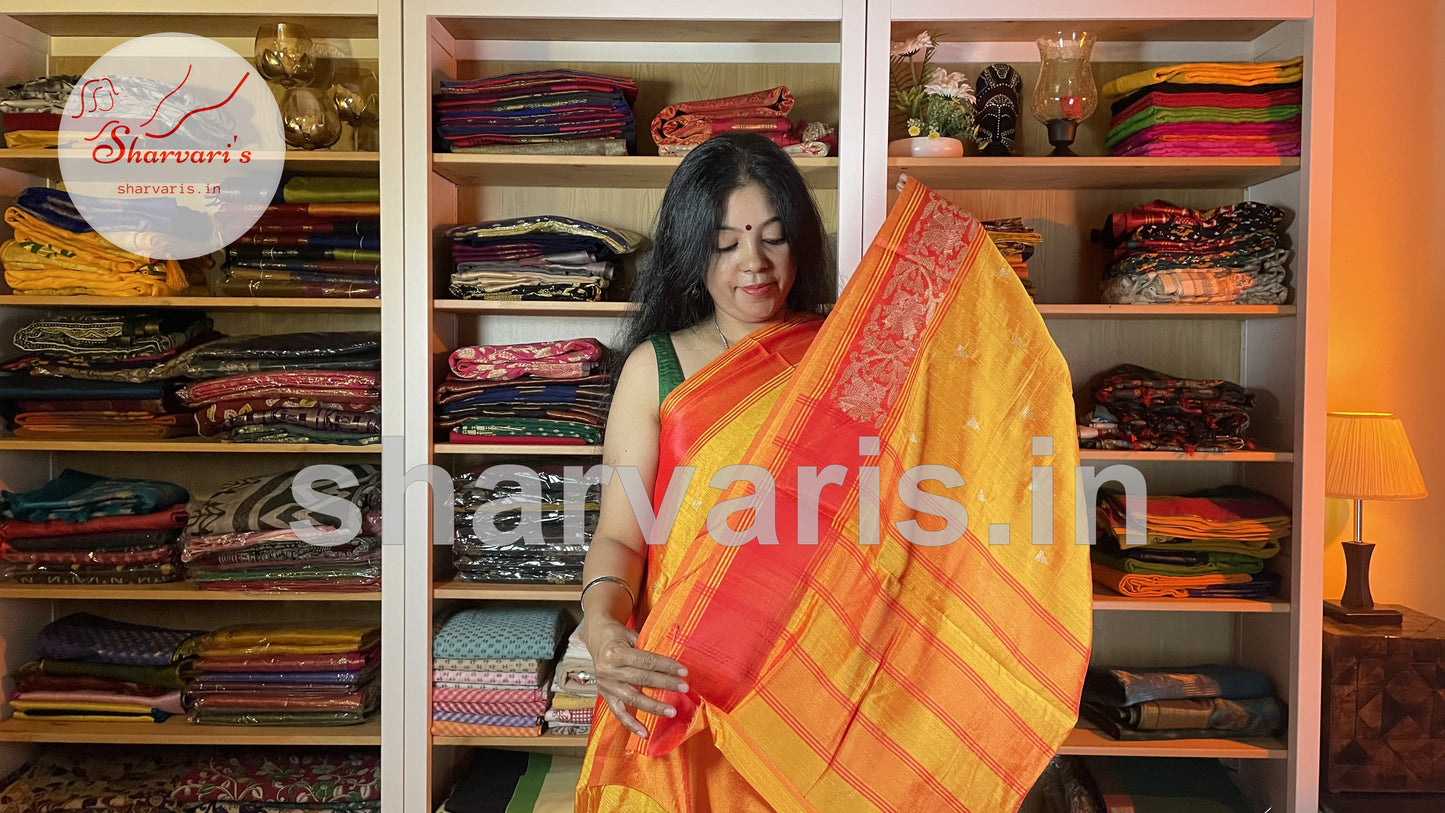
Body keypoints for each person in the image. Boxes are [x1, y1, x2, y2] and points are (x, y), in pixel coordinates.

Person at [576, 133, 1093, 813]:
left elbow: (929, 486)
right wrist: (604, 629)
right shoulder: (656, 369)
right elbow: (621, 536)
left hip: (822, 683)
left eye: (773, 236)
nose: (752, 264)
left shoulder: (852, 361)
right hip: (689, 678)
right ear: (690, 247)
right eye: (725, 242)